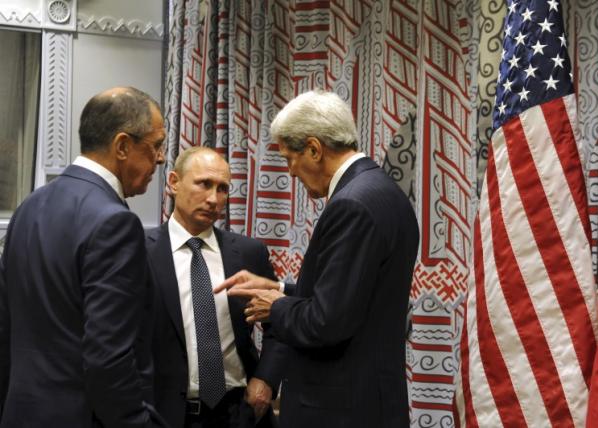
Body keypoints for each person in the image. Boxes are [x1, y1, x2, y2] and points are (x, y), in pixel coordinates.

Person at [216, 90, 420, 428]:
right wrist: (278, 286)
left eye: (288, 158)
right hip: (371, 402)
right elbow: (352, 299)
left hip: (340, 410)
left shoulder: (351, 204)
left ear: (313, 149)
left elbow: (326, 322)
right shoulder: (382, 190)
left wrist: (275, 306)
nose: (291, 172)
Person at [0, 87, 168, 427]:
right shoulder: (115, 222)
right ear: (122, 146)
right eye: (156, 145)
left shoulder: (29, 207)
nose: (162, 158)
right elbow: (108, 357)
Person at [145, 146, 284, 428]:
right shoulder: (139, 250)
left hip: (239, 412)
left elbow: (280, 323)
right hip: (165, 413)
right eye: (204, 184)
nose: (213, 199)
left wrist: (266, 380)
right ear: (174, 182)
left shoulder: (248, 252)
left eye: (222, 189)